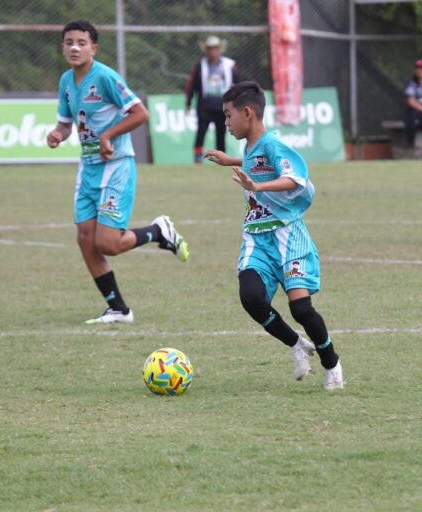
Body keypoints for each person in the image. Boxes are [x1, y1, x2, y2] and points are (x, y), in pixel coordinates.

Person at [204, 81, 344, 390]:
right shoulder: (252, 146)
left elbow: (295, 177)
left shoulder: (273, 143)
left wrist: (257, 187)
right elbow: (258, 163)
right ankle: (297, 345)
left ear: (248, 113)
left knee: (302, 310)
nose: (225, 123)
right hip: (256, 237)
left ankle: (331, 362)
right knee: (251, 298)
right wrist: (234, 161)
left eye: (228, 116)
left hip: (287, 237)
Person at [47, 20, 189, 324]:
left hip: (116, 166)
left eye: (81, 42)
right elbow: (65, 123)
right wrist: (58, 134)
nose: (74, 47)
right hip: (87, 169)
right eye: (69, 42)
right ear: (62, 47)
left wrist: (107, 136)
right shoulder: (66, 82)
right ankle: (118, 309)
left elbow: (140, 113)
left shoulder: (106, 78)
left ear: (93, 48)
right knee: (85, 239)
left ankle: (158, 231)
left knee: (107, 243)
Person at [185, 35, 240, 164]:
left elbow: (237, 84)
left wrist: (237, 102)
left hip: (223, 106)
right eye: (210, 48)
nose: (212, 51)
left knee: (221, 132)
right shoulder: (200, 65)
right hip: (205, 105)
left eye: (215, 48)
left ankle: (222, 158)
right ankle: (198, 156)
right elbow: (191, 85)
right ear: (206, 50)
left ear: (219, 49)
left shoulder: (229, 65)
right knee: (201, 131)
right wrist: (188, 102)